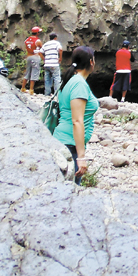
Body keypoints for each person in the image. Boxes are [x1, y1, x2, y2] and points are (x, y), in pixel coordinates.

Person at [53, 46, 99, 184]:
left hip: (63, 141)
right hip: (70, 144)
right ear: (91, 62)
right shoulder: (78, 84)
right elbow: (77, 121)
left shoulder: (70, 80)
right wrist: (81, 157)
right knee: (71, 194)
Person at [40, 32, 63, 96]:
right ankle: (57, 94)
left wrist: (44, 59)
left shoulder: (46, 44)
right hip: (54, 64)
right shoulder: (56, 43)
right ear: (55, 38)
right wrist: (60, 58)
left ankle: (47, 93)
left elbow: (40, 52)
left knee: (47, 79)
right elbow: (60, 49)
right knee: (57, 78)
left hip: (47, 64)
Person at [21, 26, 43, 94]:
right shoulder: (38, 41)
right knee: (34, 72)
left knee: (27, 72)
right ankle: (31, 89)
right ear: (37, 33)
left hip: (29, 56)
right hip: (35, 57)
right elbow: (42, 48)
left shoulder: (27, 39)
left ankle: (23, 88)